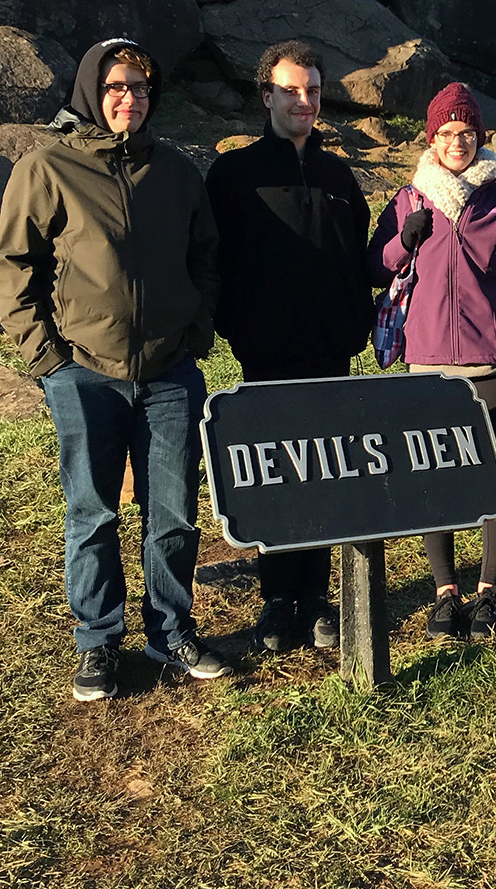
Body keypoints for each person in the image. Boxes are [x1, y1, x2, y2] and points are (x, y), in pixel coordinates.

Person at [0, 37, 229, 700]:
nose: (131, 98)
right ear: (93, 91)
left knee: (175, 511)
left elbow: (207, 256)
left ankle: (169, 629)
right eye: (118, 86)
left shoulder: (176, 172)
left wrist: (197, 328)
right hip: (84, 373)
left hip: (169, 373)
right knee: (92, 511)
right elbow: (14, 267)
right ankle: (97, 640)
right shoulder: (49, 168)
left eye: (142, 88)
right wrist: (49, 361)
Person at [205, 40, 373, 653]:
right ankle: (278, 598)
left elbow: (360, 256)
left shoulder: (337, 174)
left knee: (326, 472)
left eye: (314, 90)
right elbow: (211, 261)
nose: (304, 101)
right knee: (278, 474)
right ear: (267, 95)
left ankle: (319, 597)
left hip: (332, 352)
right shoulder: (234, 174)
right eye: (291, 90)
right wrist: (239, 327)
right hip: (266, 355)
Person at [368, 82, 496, 640]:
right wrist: (404, 241)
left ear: (481, 137)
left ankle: (489, 589)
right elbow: (377, 267)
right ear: (431, 138)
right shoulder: (408, 199)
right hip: (426, 363)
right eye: (446, 133)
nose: (457, 142)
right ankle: (446, 590)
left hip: (491, 361)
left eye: (466, 133)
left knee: (492, 476)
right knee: (436, 475)